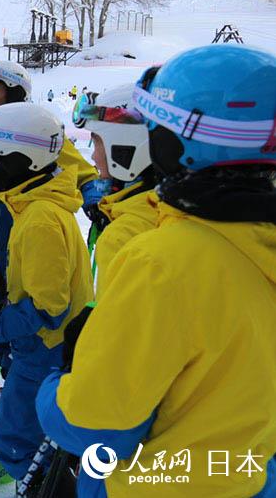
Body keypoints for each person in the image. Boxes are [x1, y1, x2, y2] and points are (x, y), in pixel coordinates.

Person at [36, 45, 276, 497]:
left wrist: (56, 387)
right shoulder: (256, 241)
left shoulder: (161, 261)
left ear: (171, 143)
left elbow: (95, 425)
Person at [0, 102, 93, 493]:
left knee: (14, 442)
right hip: (46, 347)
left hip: (45, 350)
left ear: (18, 160)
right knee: (32, 441)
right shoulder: (34, 209)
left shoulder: (40, 220)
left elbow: (48, 307)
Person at [0, 61, 103, 226]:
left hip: (31, 222)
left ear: (14, 92)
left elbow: (82, 172)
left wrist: (94, 201)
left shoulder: (36, 130)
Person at [72, 83, 158, 298]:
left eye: (97, 142)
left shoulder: (121, 236)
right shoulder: (167, 210)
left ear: (124, 147)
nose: (93, 157)